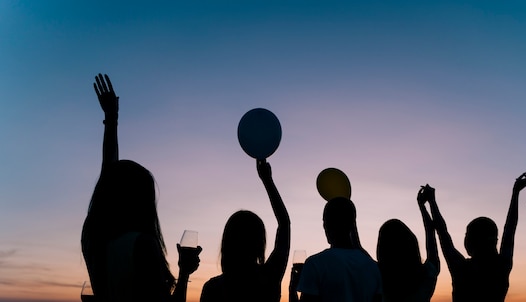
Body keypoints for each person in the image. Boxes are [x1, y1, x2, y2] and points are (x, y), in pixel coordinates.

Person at [81, 73, 202, 302]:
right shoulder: (142, 245)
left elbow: (108, 177)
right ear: (142, 202)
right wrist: (184, 273)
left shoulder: (94, 237)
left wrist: (111, 120)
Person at [427, 169, 526, 302]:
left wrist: (431, 202)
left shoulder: (461, 269)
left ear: (473, 240)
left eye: (467, 234)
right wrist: (516, 193)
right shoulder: (501, 266)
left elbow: (443, 234)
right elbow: (510, 229)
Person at [200, 159, 290, 302]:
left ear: (227, 243)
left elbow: (285, 224)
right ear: (260, 243)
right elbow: (284, 224)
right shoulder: (269, 277)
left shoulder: (212, 288)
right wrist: (267, 180)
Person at [294, 197, 382, 302]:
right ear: (352, 225)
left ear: (326, 224)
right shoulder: (374, 267)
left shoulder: (315, 264)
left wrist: (292, 288)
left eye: (325, 221)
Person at [376, 185, 440, 302]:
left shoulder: (375, 275)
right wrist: (426, 204)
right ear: (412, 244)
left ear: (382, 249)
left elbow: (356, 246)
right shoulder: (427, 276)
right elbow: (431, 232)